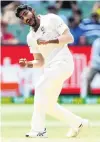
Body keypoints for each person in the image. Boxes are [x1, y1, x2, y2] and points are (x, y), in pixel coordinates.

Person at [15, 5, 88, 138]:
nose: (26, 18)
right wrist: (28, 64)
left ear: (33, 11)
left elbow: (69, 38)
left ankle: (38, 130)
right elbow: (40, 61)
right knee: (49, 106)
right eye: (22, 17)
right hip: (51, 69)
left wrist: (49, 41)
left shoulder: (51, 19)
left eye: (26, 13)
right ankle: (78, 123)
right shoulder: (30, 37)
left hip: (63, 62)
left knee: (39, 87)